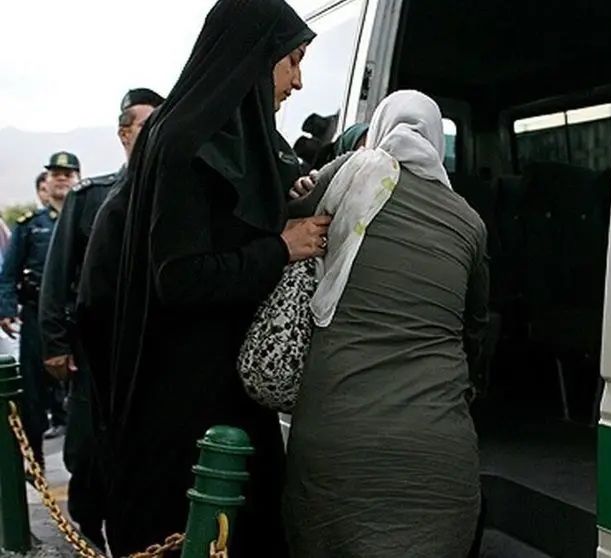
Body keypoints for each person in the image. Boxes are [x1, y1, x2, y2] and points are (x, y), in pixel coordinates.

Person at [98, 1, 325, 555]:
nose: (298, 81)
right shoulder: (182, 143)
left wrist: (288, 196)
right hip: (185, 405)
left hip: (235, 390)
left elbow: (237, 214)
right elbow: (178, 277)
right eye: (291, 60)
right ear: (253, 57)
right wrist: (281, 247)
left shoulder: (244, 140)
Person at [283, 90, 489, 557]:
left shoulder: (348, 175)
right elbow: (476, 327)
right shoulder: (469, 223)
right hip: (437, 445)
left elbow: (278, 232)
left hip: (335, 433)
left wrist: (298, 192)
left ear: (379, 130)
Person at [38, 88, 163, 552]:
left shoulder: (174, 195)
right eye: (146, 126)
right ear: (124, 133)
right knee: (87, 456)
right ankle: (88, 536)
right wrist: (54, 342)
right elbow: (58, 274)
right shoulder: (91, 199)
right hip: (96, 352)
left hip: (150, 354)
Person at [0, 152, 79, 468]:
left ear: (77, 179)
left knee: (76, 394)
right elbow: (8, 272)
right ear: (46, 181)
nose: (61, 178)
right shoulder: (30, 226)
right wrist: (5, 308)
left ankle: (80, 465)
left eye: (67, 173)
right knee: (31, 395)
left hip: (74, 317)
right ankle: (35, 464)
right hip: (35, 317)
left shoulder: (87, 219)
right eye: (55, 173)